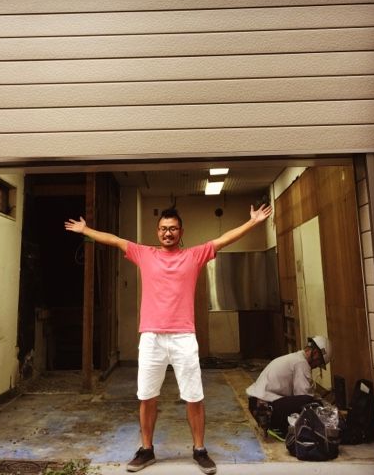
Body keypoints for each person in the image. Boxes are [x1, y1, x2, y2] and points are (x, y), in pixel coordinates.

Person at [65, 203, 272, 473]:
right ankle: (146, 450)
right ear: (157, 231)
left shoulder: (194, 255)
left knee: (194, 396)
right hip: (151, 337)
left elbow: (224, 239)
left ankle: (199, 450)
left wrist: (253, 222)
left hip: (183, 336)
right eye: (163, 228)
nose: (168, 233)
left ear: (180, 232)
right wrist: (86, 230)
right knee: (147, 396)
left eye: (173, 229)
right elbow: (114, 240)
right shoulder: (144, 254)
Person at [246, 335, 332, 440]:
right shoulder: (301, 363)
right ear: (315, 353)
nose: (316, 367)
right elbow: (304, 396)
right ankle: (277, 426)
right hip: (266, 409)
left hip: (256, 404)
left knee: (309, 402)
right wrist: (323, 406)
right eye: (319, 363)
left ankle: (275, 424)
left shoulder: (295, 358)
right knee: (310, 403)